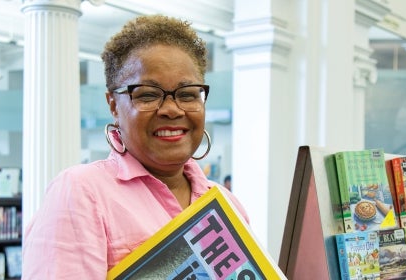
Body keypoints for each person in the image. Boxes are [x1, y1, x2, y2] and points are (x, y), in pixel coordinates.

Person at [22, 15, 249, 279]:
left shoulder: (226, 205)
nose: (172, 110)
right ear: (113, 105)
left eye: (187, 94)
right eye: (148, 94)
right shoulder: (82, 192)